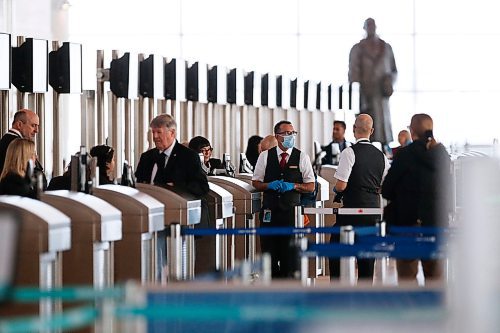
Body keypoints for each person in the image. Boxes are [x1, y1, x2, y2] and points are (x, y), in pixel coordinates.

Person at [381, 113, 451, 284]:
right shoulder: (442, 156)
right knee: (435, 279)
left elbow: (387, 191)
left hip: (406, 225)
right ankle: (435, 310)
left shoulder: (404, 155)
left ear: (412, 131)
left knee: (407, 279)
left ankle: (409, 309)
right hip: (435, 224)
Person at [329, 114, 390, 281]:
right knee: (367, 257)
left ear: (354, 129)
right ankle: (365, 294)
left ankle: (336, 288)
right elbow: (386, 185)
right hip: (373, 212)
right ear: (372, 131)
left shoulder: (349, 152)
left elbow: (341, 185)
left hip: (351, 211)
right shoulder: (382, 156)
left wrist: (336, 189)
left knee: (336, 247)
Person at [252, 120, 315, 278]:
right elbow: (256, 182)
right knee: (269, 258)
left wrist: (293, 186)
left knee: (290, 259)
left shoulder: (302, 157)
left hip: (291, 215)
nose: (290, 136)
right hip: (270, 214)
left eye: (293, 133)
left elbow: (311, 185)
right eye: (287, 133)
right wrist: (269, 186)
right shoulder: (265, 156)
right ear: (277, 136)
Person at [348, 18, 397, 149]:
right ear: (364, 28)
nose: (371, 28)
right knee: (365, 123)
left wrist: (389, 81)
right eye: (368, 26)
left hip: (382, 92)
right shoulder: (358, 48)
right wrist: (358, 89)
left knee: (383, 124)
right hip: (365, 93)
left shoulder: (386, 47)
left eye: (373, 25)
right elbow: (352, 72)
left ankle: (385, 148)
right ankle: (365, 147)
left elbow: (394, 71)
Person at [135, 113, 209, 198]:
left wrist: (176, 186)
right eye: (153, 132)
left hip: (179, 206)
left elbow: (202, 187)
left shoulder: (189, 156)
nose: (155, 136)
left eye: (159, 132)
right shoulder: (147, 157)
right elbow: (138, 185)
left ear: (172, 133)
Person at [0, 110, 46, 189]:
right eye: (33, 125)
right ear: (19, 124)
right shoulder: (19, 145)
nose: (36, 130)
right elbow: (38, 176)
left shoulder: (4, 140)